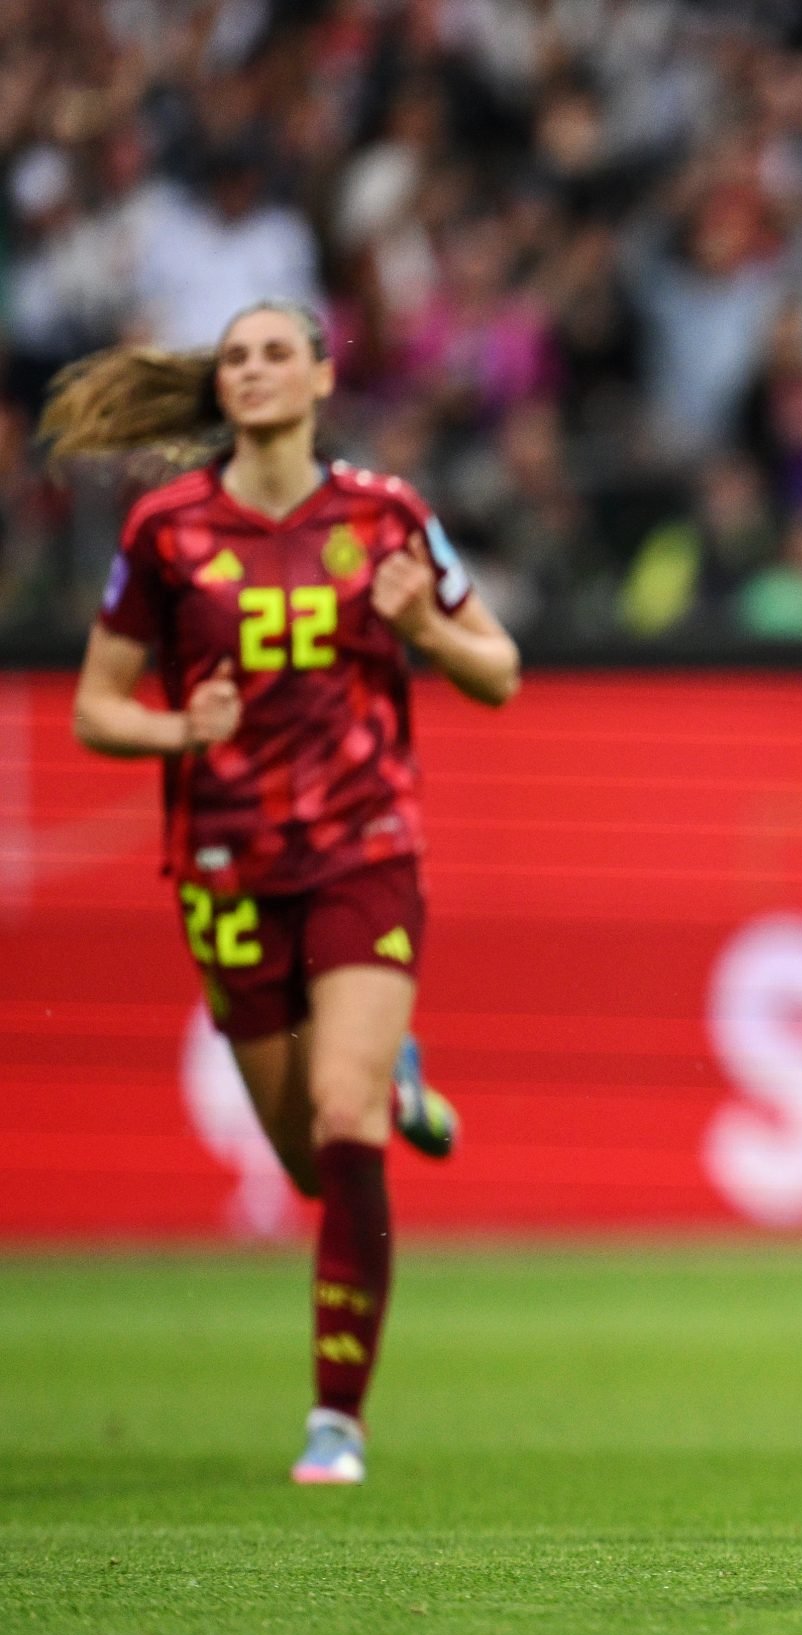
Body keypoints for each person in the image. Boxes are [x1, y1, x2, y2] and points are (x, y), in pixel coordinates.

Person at [53, 300, 521, 1486]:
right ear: (220, 388)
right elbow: (96, 708)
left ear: (321, 378)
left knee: (344, 1115)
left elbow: (500, 669)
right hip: (224, 865)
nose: (253, 371)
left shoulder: (387, 514)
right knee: (315, 1164)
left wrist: (423, 629)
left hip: (365, 849)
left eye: (275, 353)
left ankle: (336, 1419)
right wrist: (178, 727)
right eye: (235, 358)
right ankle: (389, 1072)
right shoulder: (165, 528)